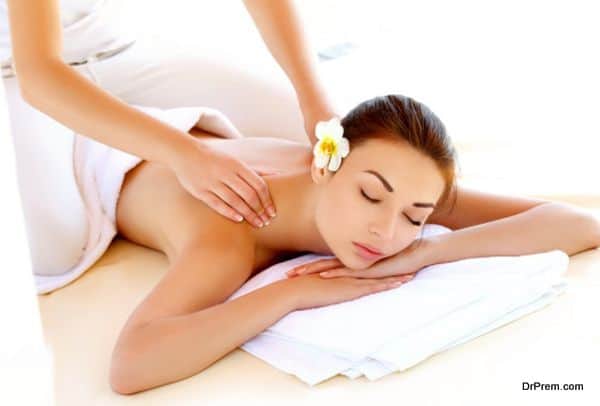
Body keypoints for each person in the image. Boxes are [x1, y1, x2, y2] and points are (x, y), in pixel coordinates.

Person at [107, 94, 600, 394]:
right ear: (325, 164)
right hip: (93, 157)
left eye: (415, 216)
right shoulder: (229, 238)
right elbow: (130, 364)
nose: (386, 233)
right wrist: (289, 294)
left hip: (183, 128)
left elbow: (578, 223)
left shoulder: (394, 180)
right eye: (369, 196)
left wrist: (426, 250)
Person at [2, 0, 338, 276]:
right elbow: (39, 75)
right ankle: (105, 146)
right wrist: (185, 154)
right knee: (57, 252)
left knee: (327, 139)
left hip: (116, 51)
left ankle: (112, 136)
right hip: (17, 74)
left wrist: (313, 99)